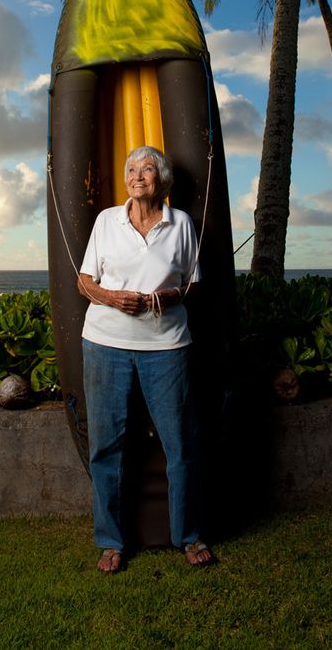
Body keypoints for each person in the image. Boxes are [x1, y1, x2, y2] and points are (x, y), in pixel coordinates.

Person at [78, 145, 214, 573]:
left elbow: (193, 283)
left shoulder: (181, 223)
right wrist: (112, 297)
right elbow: (84, 281)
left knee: (181, 444)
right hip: (104, 343)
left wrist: (171, 296)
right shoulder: (107, 221)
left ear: (163, 179)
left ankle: (188, 536)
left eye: (148, 169)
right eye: (132, 169)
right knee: (106, 446)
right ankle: (111, 541)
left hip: (167, 346)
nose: (138, 176)